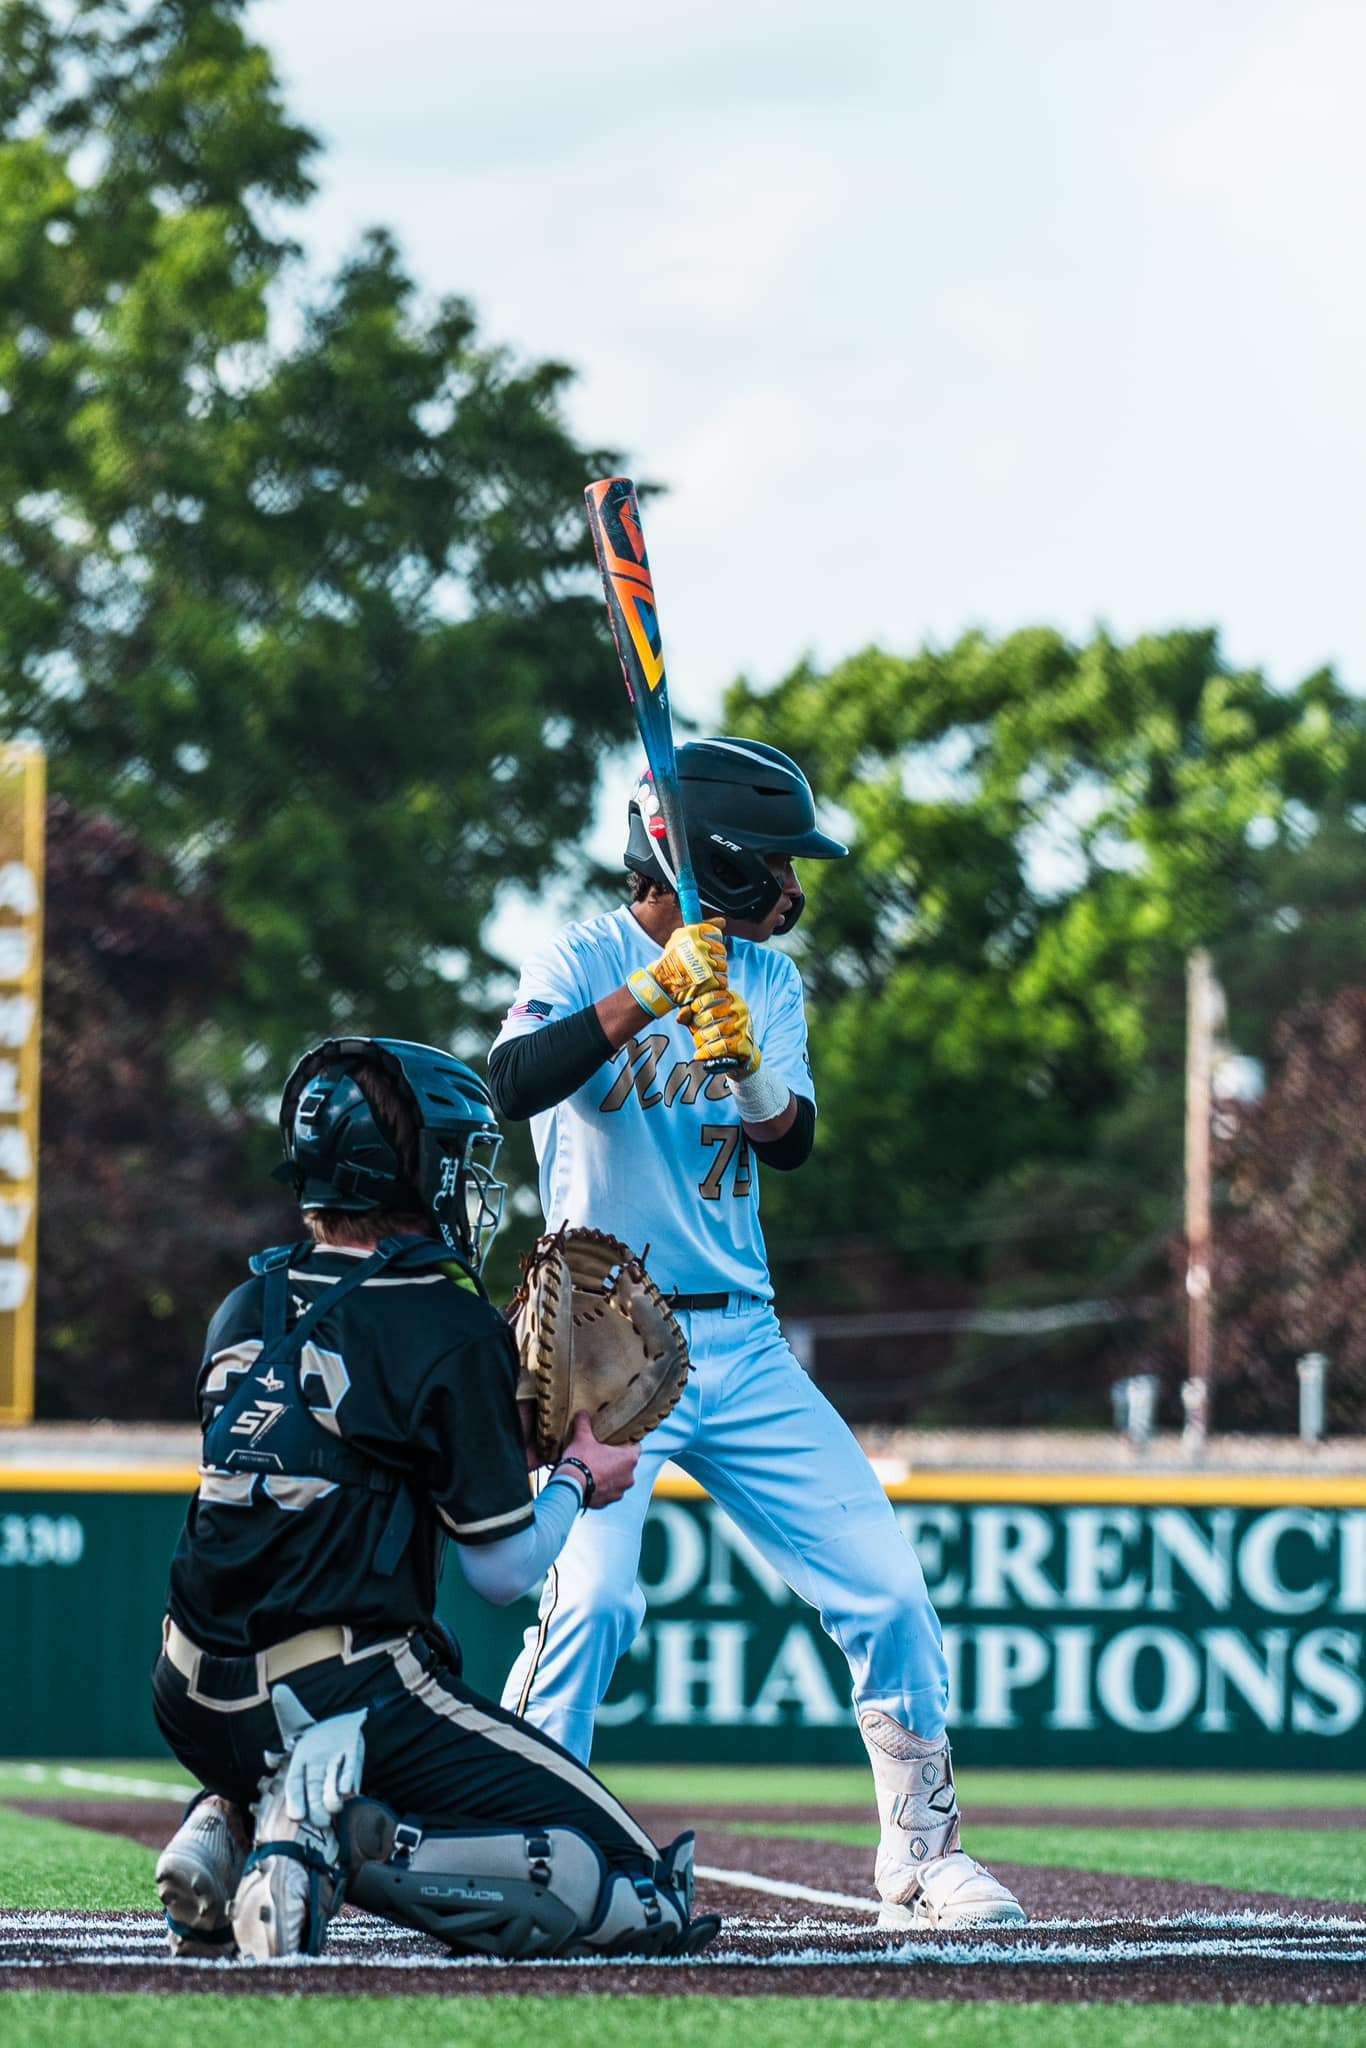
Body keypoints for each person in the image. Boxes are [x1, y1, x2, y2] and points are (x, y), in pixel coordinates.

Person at [488, 737, 1025, 1931]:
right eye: (776, 863)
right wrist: (651, 995)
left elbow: (790, 1142)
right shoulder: (580, 954)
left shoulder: (768, 980)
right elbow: (511, 1077)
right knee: (593, 1603)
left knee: (887, 1591)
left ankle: (920, 1855)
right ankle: (520, 1839)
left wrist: (744, 1073)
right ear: (714, 859)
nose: (791, 885)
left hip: (743, 1338)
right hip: (606, 1346)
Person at [150, 1035, 718, 1961]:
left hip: (185, 1690)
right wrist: (578, 1478)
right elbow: (503, 1570)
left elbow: (336, 1464)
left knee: (407, 1655)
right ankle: (323, 1840)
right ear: (415, 1168)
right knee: (641, 1894)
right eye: (460, 1157)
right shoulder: (444, 1318)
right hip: (338, 1687)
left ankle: (234, 1809)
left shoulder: (248, 1301)